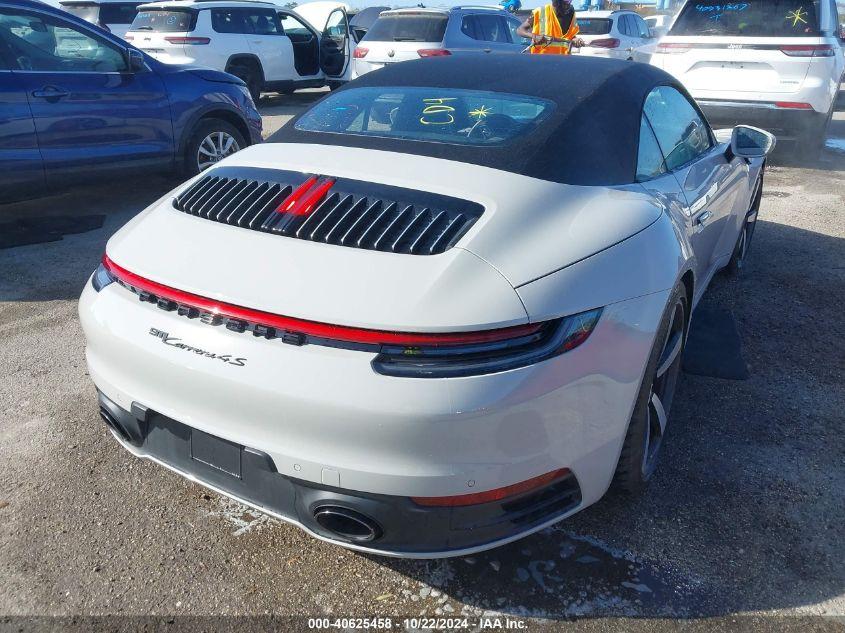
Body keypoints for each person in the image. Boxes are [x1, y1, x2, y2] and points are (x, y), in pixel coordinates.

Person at [516, 0, 585, 54]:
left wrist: (575, 40)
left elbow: (570, 36)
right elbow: (520, 30)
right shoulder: (540, 12)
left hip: (563, 61)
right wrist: (534, 36)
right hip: (541, 60)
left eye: (570, 1)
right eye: (566, 2)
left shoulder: (571, 15)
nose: (568, 4)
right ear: (556, 2)